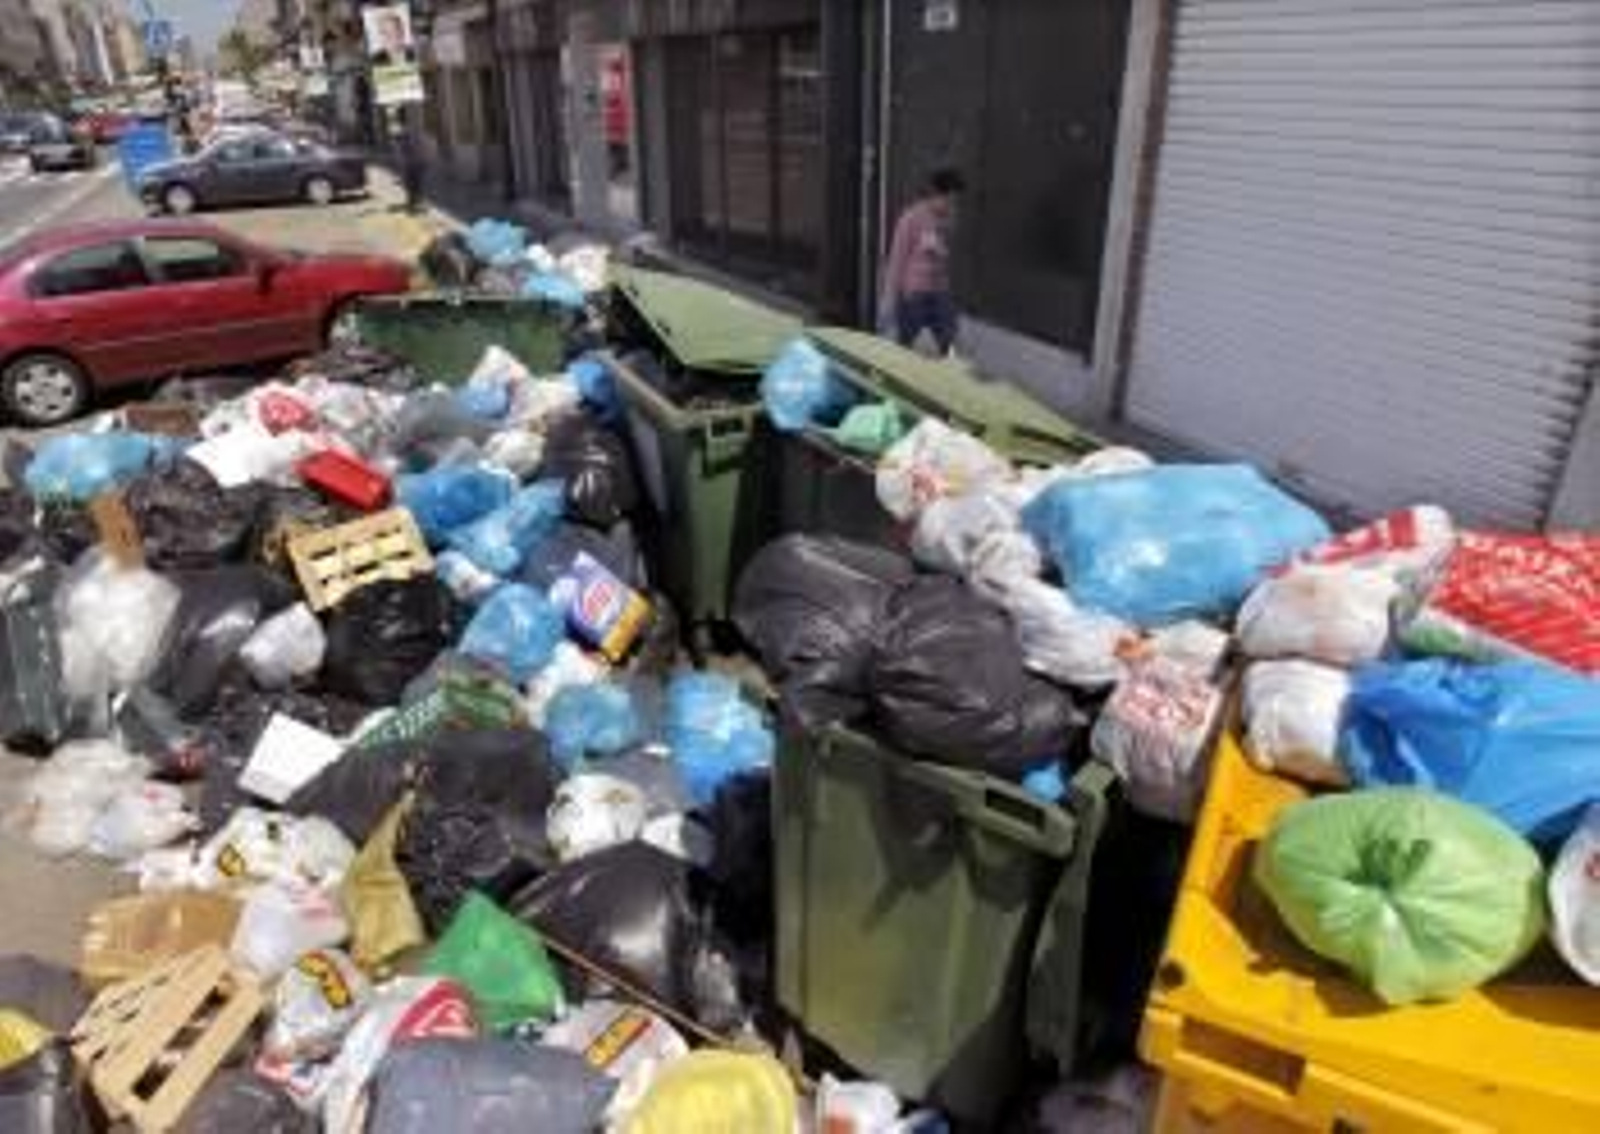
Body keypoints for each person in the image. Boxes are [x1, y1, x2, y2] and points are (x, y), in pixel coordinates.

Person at [880, 168, 965, 354]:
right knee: (907, 342)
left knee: (948, 337)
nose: (951, 206)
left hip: (940, 291)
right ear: (935, 194)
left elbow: (948, 256)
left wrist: (941, 247)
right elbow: (896, 260)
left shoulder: (949, 218)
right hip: (913, 293)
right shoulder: (910, 218)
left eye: (955, 201)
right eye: (948, 200)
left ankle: (943, 374)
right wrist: (889, 299)